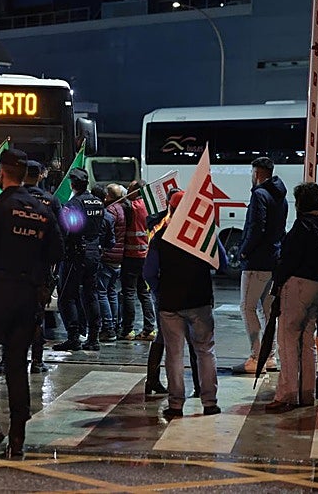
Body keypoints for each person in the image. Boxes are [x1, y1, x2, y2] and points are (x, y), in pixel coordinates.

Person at [0, 148, 63, 458]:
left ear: (2, 174)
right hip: (28, 295)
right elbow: (56, 254)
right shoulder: (43, 210)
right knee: (17, 364)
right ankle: (18, 438)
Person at [144, 191, 227, 418]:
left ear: (170, 209)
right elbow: (223, 263)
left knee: (174, 354)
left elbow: (149, 272)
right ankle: (210, 403)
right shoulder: (203, 234)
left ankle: (176, 405)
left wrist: (160, 290)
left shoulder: (161, 235)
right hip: (200, 300)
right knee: (205, 351)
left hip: (170, 303)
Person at [266, 182, 318, 413]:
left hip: (297, 284)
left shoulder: (302, 226)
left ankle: (287, 395)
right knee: (307, 340)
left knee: (287, 340)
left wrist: (277, 286)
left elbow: (288, 259)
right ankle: (306, 393)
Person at [0, 160, 62, 374]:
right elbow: (59, 240)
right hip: (38, 271)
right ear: (41, 175)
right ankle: (37, 361)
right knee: (36, 317)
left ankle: (7, 362)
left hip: (8, 270)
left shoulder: (8, 200)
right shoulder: (51, 201)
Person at [234, 157, 288, 374]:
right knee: (267, 310)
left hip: (256, 262)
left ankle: (256, 357)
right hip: (273, 260)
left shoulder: (259, 195)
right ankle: (270, 357)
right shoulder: (281, 197)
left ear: (257, 173)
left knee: (247, 308)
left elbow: (256, 227)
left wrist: (244, 251)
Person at [53, 167, 104, 351]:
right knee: (91, 295)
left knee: (67, 296)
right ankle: (93, 338)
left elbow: (68, 231)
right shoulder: (98, 202)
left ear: (72, 184)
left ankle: (73, 338)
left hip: (75, 255)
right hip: (93, 253)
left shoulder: (73, 204)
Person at [119, 180, 157, 341]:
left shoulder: (131, 207)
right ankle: (149, 329)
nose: (127, 190)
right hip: (146, 256)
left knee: (128, 293)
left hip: (131, 256)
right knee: (144, 293)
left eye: (130, 189)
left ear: (136, 191)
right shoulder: (149, 207)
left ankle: (128, 330)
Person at [96, 183, 125, 343]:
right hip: (119, 256)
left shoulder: (110, 211)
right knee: (112, 292)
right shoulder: (121, 208)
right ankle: (114, 324)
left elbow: (106, 234)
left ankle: (108, 327)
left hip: (108, 255)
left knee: (102, 292)